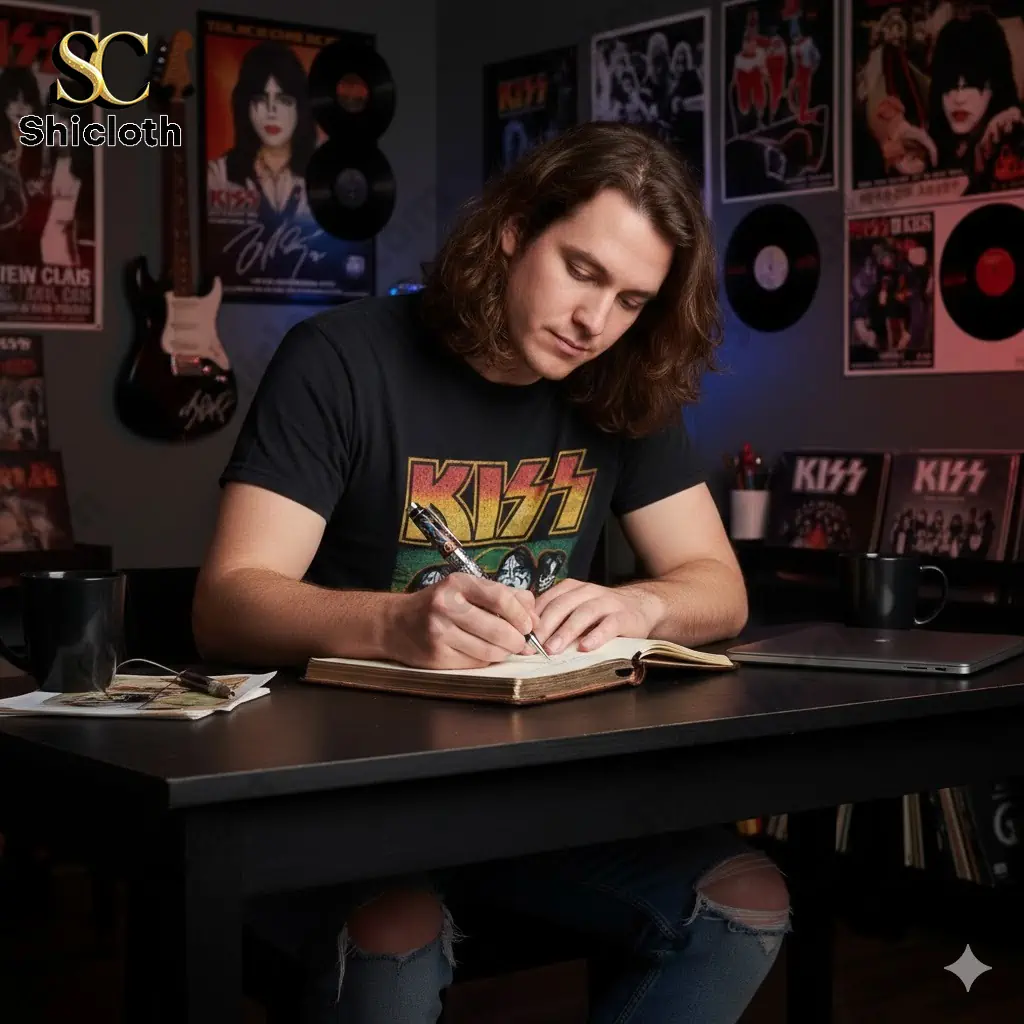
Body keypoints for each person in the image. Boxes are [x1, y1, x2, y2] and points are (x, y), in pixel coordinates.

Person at [193, 121, 790, 1024]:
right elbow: (227, 602)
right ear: (513, 228)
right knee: (396, 935)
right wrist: (395, 623)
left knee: (744, 905)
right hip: (345, 803)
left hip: (534, 807)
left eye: (632, 300)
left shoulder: (620, 381)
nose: (597, 322)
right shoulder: (342, 360)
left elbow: (718, 585)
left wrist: (636, 606)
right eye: (583, 272)